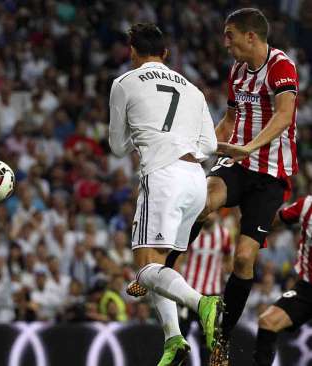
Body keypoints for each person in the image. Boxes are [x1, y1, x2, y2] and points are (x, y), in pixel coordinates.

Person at [184, 8, 300, 364]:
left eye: (229, 35)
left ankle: (221, 336)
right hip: (237, 161)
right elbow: (230, 120)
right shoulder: (237, 72)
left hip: (269, 176)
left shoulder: (282, 66)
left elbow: (284, 115)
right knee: (203, 200)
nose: (225, 43)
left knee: (244, 259)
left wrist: (250, 146)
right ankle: (160, 265)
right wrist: (195, 153)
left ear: (251, 36)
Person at [108, 23, 222, 366]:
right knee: (161, 266)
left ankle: (204, 303)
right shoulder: (194, 89)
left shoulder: (124, 83)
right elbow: (212, 146)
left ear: (132, 51)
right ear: (166, 54)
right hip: (195, 179)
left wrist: (140, 136)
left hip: (163, 176)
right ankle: (174, 339)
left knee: (143, 270)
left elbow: (116, 147)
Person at [253, 195, 312, 365]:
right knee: (268, 321)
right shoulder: (306, 205)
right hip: (307, 288)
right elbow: (277, 219)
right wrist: (253, 233)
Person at [177, 213, 233, 357]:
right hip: (190, 291)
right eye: (207, 213)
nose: (209, 216)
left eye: (213, 213)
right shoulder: (191, 231)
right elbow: (179, 257)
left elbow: (227, 259)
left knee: (208, 340)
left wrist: (225, 274)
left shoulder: (224, 234)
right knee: (181, 335)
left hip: (212, 293)